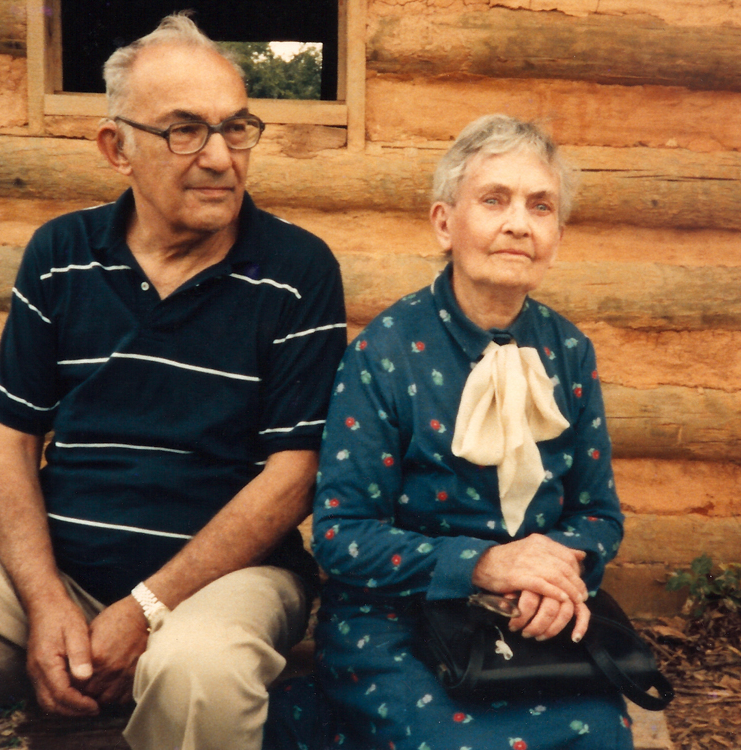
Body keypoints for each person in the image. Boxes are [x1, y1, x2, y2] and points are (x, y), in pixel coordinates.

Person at [0, 13, 347, 750]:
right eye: (185, 130)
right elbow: (7, 441)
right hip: (61, 575)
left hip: (229, 583)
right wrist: (44, 604)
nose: (222, 157)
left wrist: (147, 608)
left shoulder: (297, 270)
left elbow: (295, 474)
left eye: (236, 128)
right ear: (115, 147)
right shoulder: (60, 254)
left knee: (199, 671)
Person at [267, 115, 631, 750]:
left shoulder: (570, 352)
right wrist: (484, 564)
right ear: (444, 222)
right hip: (397, 623)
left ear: (556, 235)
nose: (519, 222)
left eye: (539, 206)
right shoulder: (385, 353)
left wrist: (553, 574)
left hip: (529, 627)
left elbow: (598, 514)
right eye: (495, 199)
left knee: (602, 736)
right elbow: (340, 535)